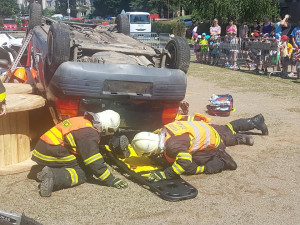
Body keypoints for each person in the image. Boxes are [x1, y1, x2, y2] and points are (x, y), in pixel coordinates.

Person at [131, 113, 268, 182]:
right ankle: (252, 124)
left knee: (193, 165)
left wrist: (165, 174)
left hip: (212, 141)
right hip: (203, 128)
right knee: (227, 129)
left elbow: (184, 162)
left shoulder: (173, 146)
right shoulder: (162, 130)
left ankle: (224, 159)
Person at [32, 110, 128, 197]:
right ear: (107, 126)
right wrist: (110, 179)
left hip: (45, 148)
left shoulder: (83, 121)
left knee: (83, 163)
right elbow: (93, 161)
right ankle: (53, 176)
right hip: (50, 152)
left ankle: (48, 169)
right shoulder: (89, 134)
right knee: (84, 171)